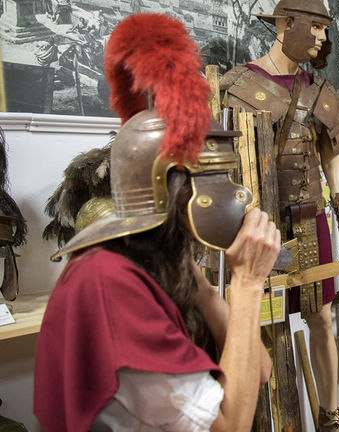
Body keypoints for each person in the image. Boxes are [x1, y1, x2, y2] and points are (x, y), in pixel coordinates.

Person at [34, 14, 276, 431]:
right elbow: (231, 426)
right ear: (174, 188)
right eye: (214, 178)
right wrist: (248, 285)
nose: (235, 193)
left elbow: (261, 370)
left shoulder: (154, 260)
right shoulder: (108, 280)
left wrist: (202, 287)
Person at [220, 1, 339, 430]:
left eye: (324, 29)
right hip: (258, 222)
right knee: (262, 318)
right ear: (286, 24)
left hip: (310, 218)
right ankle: (263, 417)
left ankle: (330, 414)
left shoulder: (320, 91)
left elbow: (332, 158)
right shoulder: (239, 85)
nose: (321, 38)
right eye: (315, 27)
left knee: (320, 316)